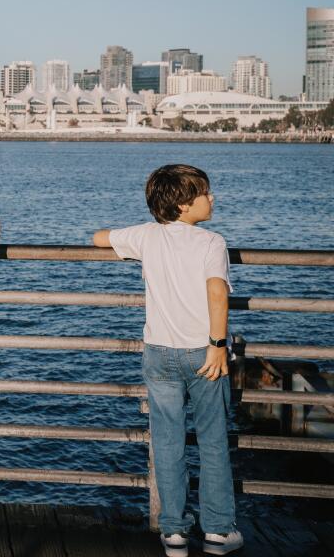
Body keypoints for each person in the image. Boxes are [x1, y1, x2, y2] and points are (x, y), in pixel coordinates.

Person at [93, 165, 241, 556]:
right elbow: (216, 293)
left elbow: (99, 238)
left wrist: (134, 235)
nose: (213, 199)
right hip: (203, 353)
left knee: (168, 440)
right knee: (212, 442)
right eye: (206, 193)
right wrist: (218, 344)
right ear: (183, 203)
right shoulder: (212, 242)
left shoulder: (146, 236)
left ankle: (174, 531)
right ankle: (218, 531)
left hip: (159, 352)